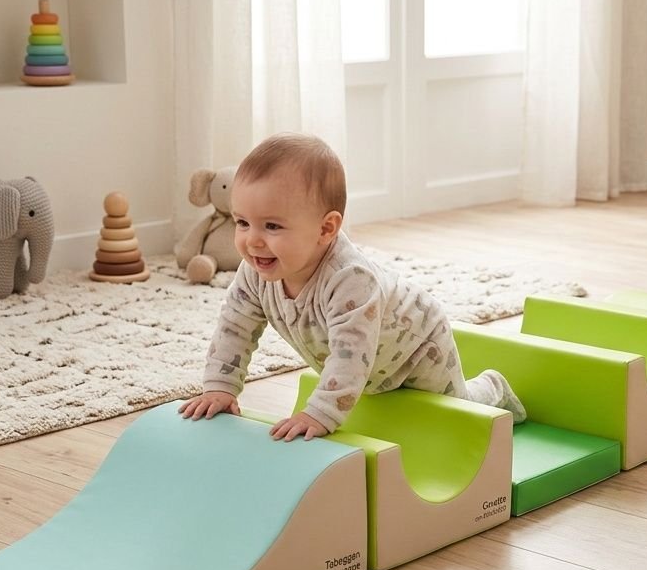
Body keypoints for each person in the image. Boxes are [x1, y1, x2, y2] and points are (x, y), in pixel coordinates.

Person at [178, 133, 526, 440]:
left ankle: (494, 388)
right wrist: (221, 388)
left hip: (418, 347)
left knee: (458, 410)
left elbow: (350, 354)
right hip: (376, 367)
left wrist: (320, 413)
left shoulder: (349, 280)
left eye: (271, 226)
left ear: (326, 229)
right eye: (242, 222)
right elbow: (234, 328)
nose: (252, 241)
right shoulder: (254, 273)